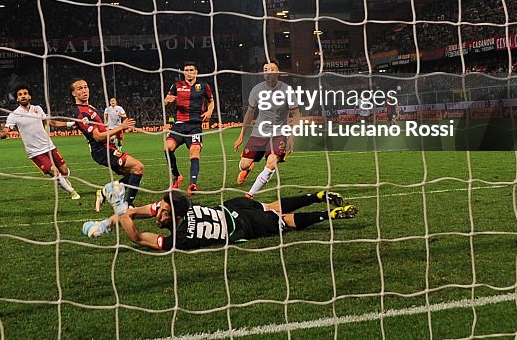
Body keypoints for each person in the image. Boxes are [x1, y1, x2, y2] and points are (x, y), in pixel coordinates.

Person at [84, 183, 356, 250]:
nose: (157, 213)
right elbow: (138, 214)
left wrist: (120, 211)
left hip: (241, 226)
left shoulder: (181, 238)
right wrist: (109, 221)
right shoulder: (181, 205)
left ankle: (328, 214)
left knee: (284, 221)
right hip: (231, 207)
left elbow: (136, 236)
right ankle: (317, 196)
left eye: (162, 212)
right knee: (271, 205)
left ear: (173, 215)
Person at [70, 78, 145, 210]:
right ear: (74, 93)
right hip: (101, 150)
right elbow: (98, 137)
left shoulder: (89, 108)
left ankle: (105, 192)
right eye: (79, 88)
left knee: (131, 175)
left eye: (86, 87)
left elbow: (102, 130)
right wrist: (121, 127)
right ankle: (128, 205)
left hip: (107, 147)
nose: (84, 90)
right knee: (138, 167)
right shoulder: (81, 113)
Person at [1, 84, 81, 200]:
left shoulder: (38, 109)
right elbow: (6, 130)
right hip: (35, 152)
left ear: (29, 96)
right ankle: (72, 192)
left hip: (49, 146)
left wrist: (70, 124)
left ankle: (61, 181)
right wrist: (3, 134)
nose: (23, 96)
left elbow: (51, 123)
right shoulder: (14, 115)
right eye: (20, 95)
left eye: (25, 94)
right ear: (17, 99)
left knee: (64, 170)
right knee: (54, 171)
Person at [234, 61, 299, 198]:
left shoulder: (287, 90)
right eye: (265, 69)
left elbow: (296, 114)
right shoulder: (257, 89)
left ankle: (251, 194)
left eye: (271, 69)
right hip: (259, 132)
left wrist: (292, 136)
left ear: (278, 73)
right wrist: (241, 135)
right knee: (244, 165)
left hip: (279, 133)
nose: (268, 72)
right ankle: (249, 168)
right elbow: (250, 113)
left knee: (271, 163)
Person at [162, 62, 214, 195]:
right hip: (179, 125)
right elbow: (166, 100)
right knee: (167, 148)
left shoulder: (203, 86)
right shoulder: (177, 85)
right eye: (186, 70)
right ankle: (177, 176)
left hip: (195, 126)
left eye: (191, 69)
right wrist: (168, 100)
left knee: (195, 152)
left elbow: (211, 101)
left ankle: (192, 184)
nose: (189, 72)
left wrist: (209, 112)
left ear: (196, 72)